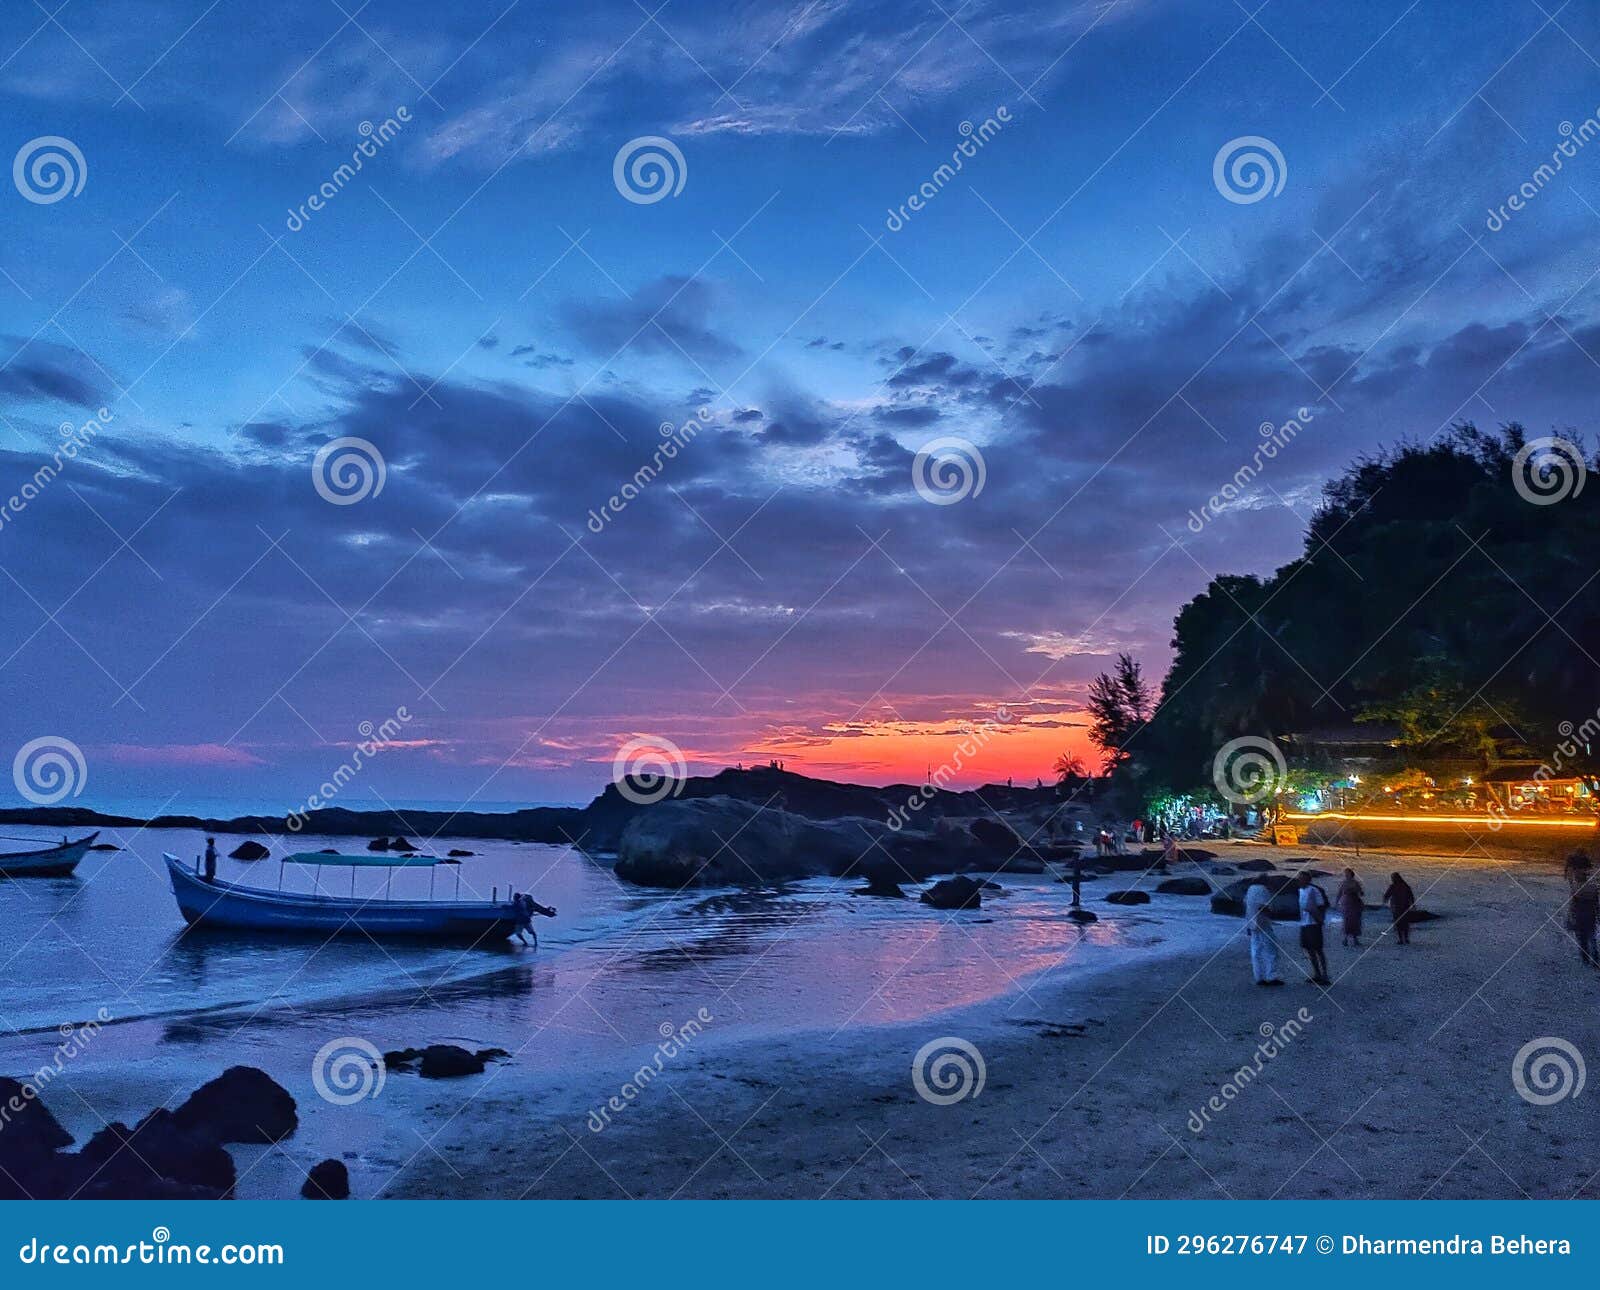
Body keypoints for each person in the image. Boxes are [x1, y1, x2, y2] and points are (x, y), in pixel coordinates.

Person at [1244, 877, 1284, 986]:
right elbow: (1262, 906)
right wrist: (1272, 916)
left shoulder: (1250, 890)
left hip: (1253, 924)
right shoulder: (1262, 890)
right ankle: (1271, 976)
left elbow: (1247, 907)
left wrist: (1248, 925)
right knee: (1271, 951)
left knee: (1256, 951)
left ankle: (1259, 977)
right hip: (1263, 924)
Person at [1296, 870, 1331, 985]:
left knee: (1318, 949)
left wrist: (1319, 918)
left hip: (1313, 923)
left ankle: (1325, 975)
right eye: (1299, 878)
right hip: (1304, 923)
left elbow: (1322, 906)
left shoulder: (1314, 890)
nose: (1299, 880)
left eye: (1301, 878)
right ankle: (1316, 974)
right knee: (1309, 949)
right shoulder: (1301, 890)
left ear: (1308, 880)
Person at [1565, 852, 1598, 967]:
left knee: (1582, 938)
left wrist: (1570, 918)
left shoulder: (1575, 888)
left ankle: (1585, 959)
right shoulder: (1593, 887)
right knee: (1592, 937)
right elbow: (1596, 903)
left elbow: (1573, 905)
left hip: (1580, 915)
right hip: (1591, 914)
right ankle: (1595, 959)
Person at [1383, 871, 1416, 946]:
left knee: (1400, 923)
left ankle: (1402, 939)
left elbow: (1387, 895)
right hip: (1402, 906)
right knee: (1404, 923)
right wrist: (1413, 904)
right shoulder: (1405, 886)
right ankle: (1405, 939)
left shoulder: (1395, 886)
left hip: (1399, 907)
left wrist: (1385, 899)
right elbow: (1411, 896)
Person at [1335, 868, 1365, 947]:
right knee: (1349, 921)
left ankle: (1352, 940)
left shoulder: (1350, 883)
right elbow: (1339, 893)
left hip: (1352, 903)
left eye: (1346, 874)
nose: (1346, 875)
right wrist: (1337, 902)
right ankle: (1348, 939)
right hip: (1349, 903)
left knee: (1352, 921)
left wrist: (1337, 902)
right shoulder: (1349, 883)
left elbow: (1361, 893)